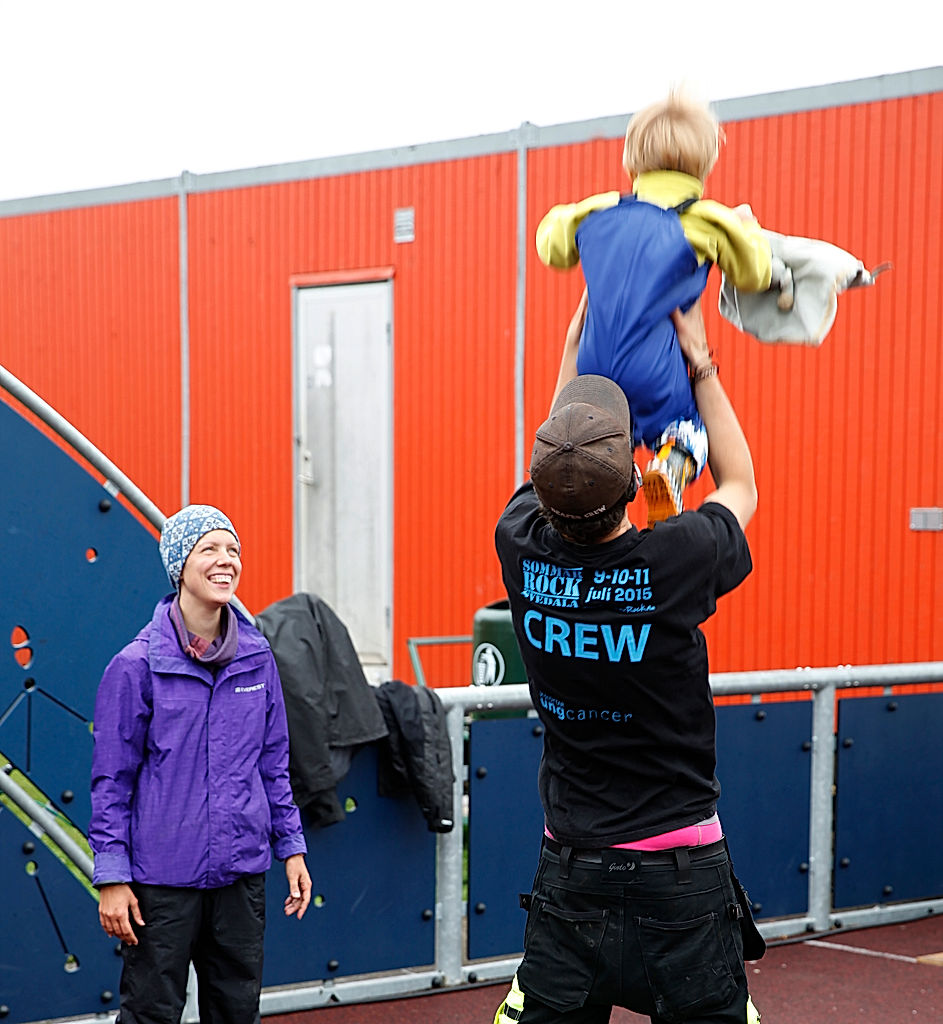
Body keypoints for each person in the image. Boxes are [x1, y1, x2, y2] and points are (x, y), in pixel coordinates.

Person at [492, 295, 764, 1024]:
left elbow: (551, 464)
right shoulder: (675, 556)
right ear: (631, 488)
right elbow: (741, 486)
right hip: (680, 877)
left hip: (571, 873)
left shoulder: (518, 544)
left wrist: (571, 342)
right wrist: (700, 363)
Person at [89, 504, 310, 1023]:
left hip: (241, 877)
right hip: (159, 884)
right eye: (209, 548)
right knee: (151, 1013)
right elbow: (111, 784)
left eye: (233, 550)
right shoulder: (135, 666)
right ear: (179, 564)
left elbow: (274, 764)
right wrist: (112, 878)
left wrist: (292, 848)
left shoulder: (257, 658)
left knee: (236, 1012)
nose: (225, 560)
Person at [536, 88, 791, 527]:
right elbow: (754, 272)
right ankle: (669, 469)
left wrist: (572, 223)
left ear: (631, 164)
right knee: (685, 433)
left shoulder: (597, 210)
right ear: (703, 168)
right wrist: (745, 229)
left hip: (592, 368)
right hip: (655, 367)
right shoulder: (706, 221)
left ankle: (611, 494)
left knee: (597, 441)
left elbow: (551, 244)